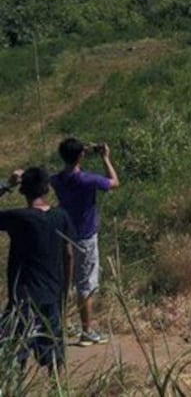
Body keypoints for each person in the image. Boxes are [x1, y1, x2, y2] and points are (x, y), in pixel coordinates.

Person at [0, 167, 75, 372]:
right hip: (51, 296)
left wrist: (7, 185)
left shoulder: (18, 218)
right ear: (47, 189)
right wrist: (65, 291)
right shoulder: (61, 216)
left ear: (23, 191)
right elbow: (69, 255)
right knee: (55, 358)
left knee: (13, 357)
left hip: (22, 299)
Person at [49, 138, 119, 347]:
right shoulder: (88, 180)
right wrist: (105, 158)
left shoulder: (56, 179)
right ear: (80, 156)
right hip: (85, 236)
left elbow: (60, 172)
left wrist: (83, 151)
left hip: (64, 235)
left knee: (64, 281)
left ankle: (60, 323)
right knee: (86, 283)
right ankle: (87, 331)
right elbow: (114, 182)